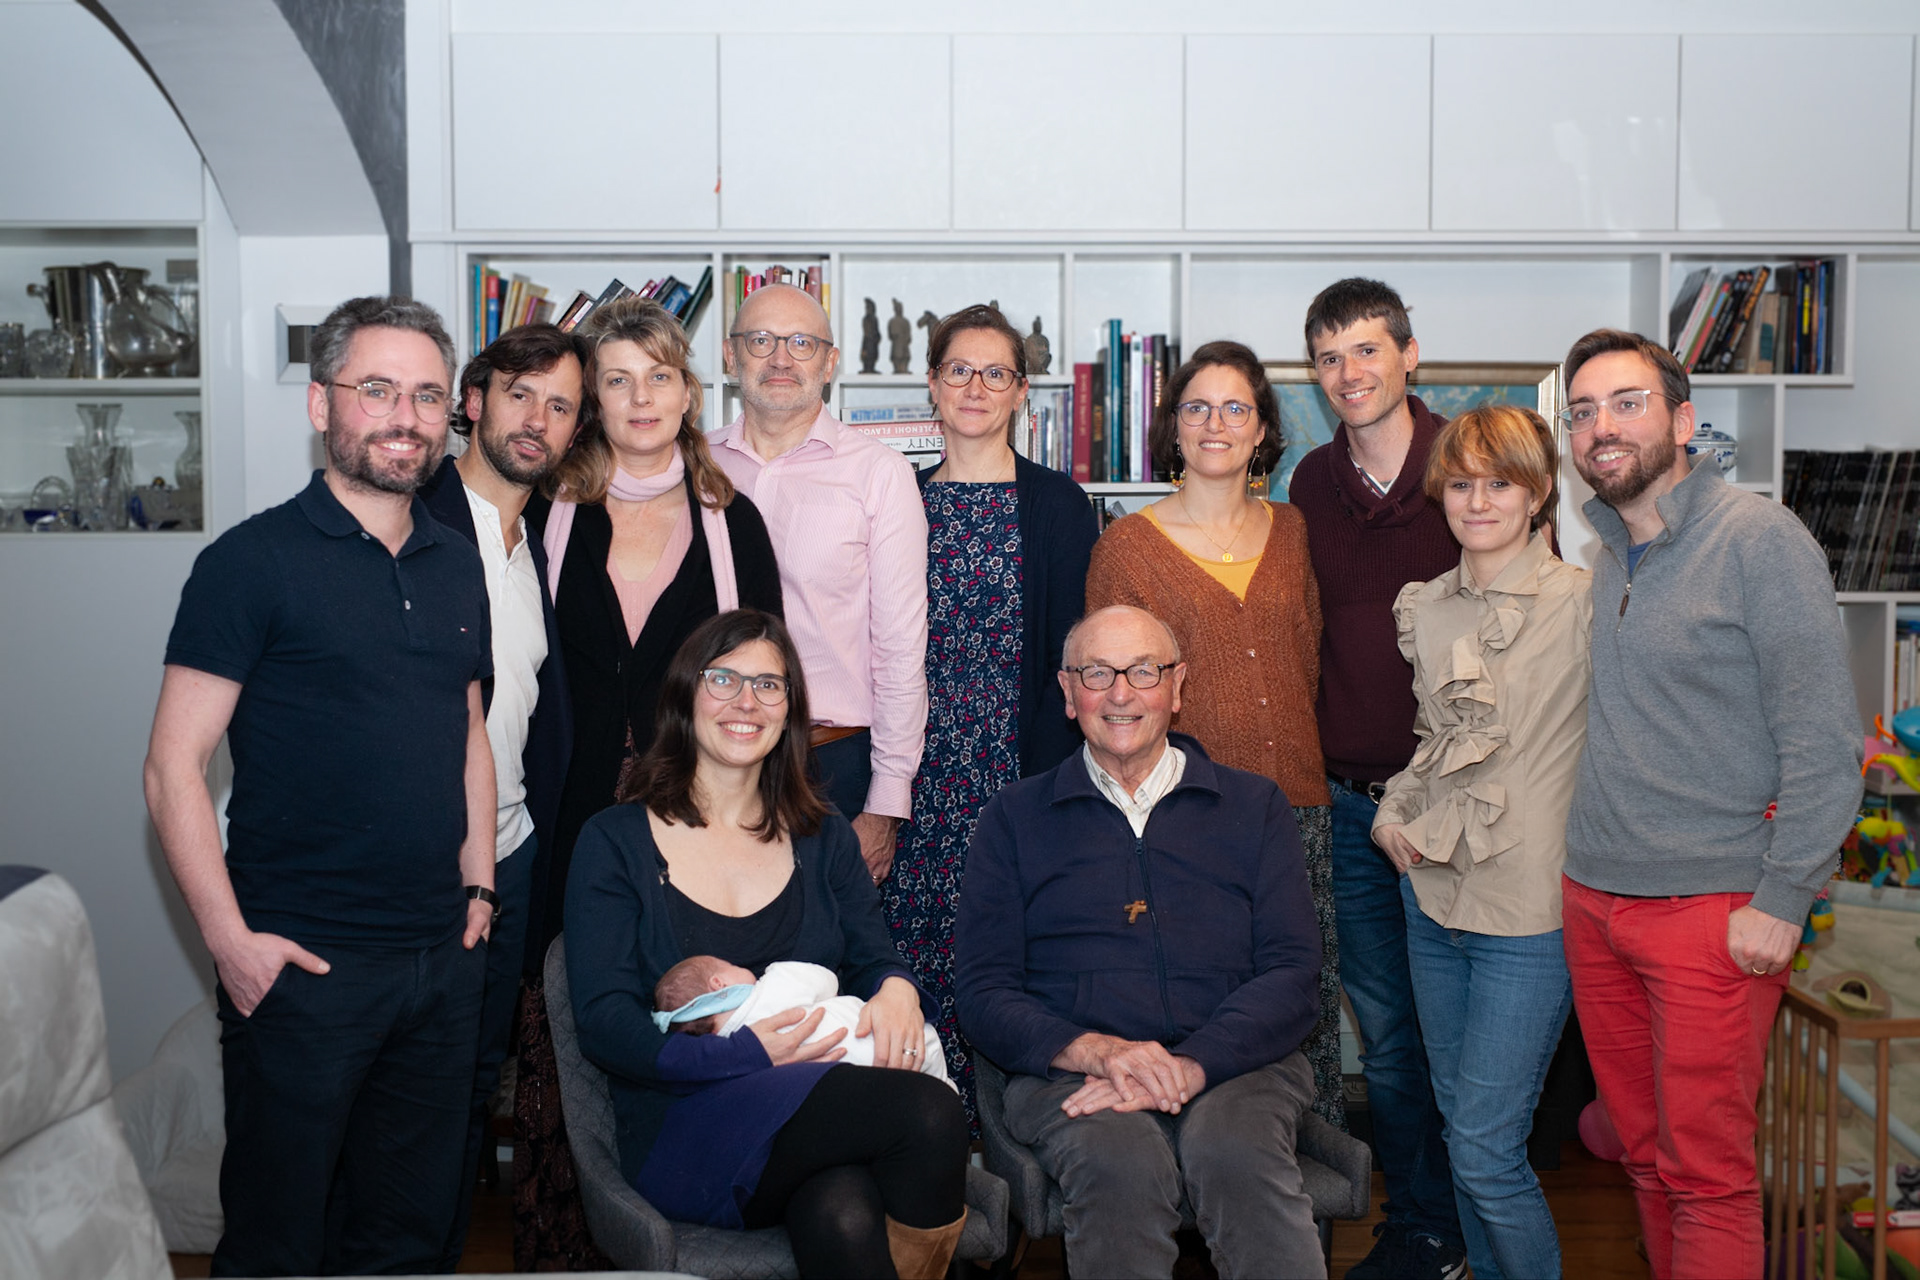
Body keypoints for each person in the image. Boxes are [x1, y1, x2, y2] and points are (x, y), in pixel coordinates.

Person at [143, 296, 494, 1276]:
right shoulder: (249, 564)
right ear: (320, 404)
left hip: (438, 963)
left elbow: (467, 734)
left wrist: (479, 885)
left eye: (427, 394)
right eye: (376, 388)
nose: (404, 415)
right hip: (299, 968)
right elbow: (171, 768)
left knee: (410, 1237)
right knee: (279, 1239)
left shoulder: (455, 562)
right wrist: (230, 944)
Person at [1557, 328, 1861, 1279]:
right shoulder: (1609, 553)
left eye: (1626, 402)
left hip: (1713, 912)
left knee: (1707, 1175)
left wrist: (1784, 899)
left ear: (1684, 420)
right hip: (1595, 899)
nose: (1601, 427)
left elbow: (1825, 741)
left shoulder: (1760, 540)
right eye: (1581, 411)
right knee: (1643, 1160)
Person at [567, 609, 970, 1280]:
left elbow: (875, 956)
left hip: (815, 1119)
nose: (746, 701)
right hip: (689, 1123)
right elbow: (605, 1025)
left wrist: (898, 988)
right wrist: (743, 1053)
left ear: (791, 711)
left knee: (843, 1214)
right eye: (722, 678)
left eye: (769, 685)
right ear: (683, 695)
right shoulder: (614, 842)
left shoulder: (824, 836)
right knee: (928, 1110)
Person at [513, 296, 784, 1269]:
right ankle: (571, 1243)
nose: (638, 397)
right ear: (591, 397)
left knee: (683, 1008)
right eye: (615, 378)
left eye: (657, 375)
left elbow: (762, 676)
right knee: (570, 1024)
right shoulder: (546, 511)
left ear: (687, 391)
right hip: (565, 811)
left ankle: (698, 1220)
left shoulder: (730, 520)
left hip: (694, 818)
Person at [955, 604, 1326, 1279]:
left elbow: (1294, 974)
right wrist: (1094, 1051)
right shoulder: (1013, 818)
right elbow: (983, 991)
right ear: (1069, 694)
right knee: (1118, 1160)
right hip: (1073, 1071)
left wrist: (1192, 1065)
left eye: (1144, 671)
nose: (1121, 693)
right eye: (1098, 673)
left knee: (1233, 1150)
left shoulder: (1253, 806)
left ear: (1178, 686)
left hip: (1241, 1063)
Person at [1084, 339, 1342, 1127]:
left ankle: (1304, 1197)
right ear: (1174, 426)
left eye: (1236, 407)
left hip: (1300, 810)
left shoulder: (1294, 531)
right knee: (1207, 1012)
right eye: (1197, 407)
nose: (1216, 423)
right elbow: (1116, 699)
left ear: (1263, 428)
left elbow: (1308, 660)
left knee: (1306, 1008)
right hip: (1187, 820)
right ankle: (1192, 1190)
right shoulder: (1127, 547)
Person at [1370, 405, 1591, 1280]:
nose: (1478, 501)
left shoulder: (1585, 603)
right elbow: (1436, 743)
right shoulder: (1426, 608)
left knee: (1490, 1152)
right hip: (1432, 900)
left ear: (1538, 493)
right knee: (1463, 1135)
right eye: (1461, 484)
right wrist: (1392, 812)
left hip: (1529, 911)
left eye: (1499, 483)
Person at [1289, 277, 1467, 1278]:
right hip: (1349, 811)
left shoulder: (1469, 466)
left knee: (1456, 1035)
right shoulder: (1312, 482)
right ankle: (1423, 1226)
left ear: (1408, 355)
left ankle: (1469, 1212)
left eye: (1366, 350)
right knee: (1388, 1038)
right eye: (1329, 356)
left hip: (1452, 810)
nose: (1349, 372)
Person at [886, 302, 1097, 1126]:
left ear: (1020, 393)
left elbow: (1071, 655)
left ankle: (1014, 1153)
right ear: (933, 385)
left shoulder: (1057, 504)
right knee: (913, 962)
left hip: (1017, 773)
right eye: (958, 370)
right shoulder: (896, 497)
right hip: (912, 773)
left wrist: (1049, 788)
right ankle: (927, 1149)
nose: (976, 386)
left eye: (995, 372)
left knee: (1013, 963)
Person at [419, 320, 587, 1267]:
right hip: (439, 860)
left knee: (473, 1080)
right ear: (472, 403)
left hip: (513, 852)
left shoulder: (532, 544)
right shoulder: (422, 522)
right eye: (520, 394)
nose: (538, 419)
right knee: (423, 1094)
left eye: (560, 405)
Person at [711, 283, 929, 886]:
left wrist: (886, 802)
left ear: (829, 363)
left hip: (831, 765)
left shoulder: (879, 475)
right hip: (709, 757)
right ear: (731, 358)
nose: (781, 358)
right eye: (761, 340)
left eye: (801, 343)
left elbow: (901, 649)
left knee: (826, 967)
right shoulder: (693, 468)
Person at [652, 956, 952, 1083]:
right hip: (889, 1040)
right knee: (933, 1064)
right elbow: (825, 980)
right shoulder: (774, 985)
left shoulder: (728, 1052)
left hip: (851, 1085)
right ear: (719, 984)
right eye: (732, 965)